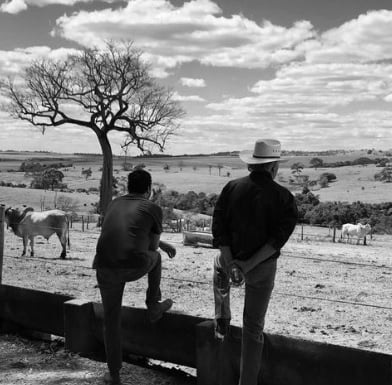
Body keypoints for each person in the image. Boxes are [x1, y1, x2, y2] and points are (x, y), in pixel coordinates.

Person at [212, 139, 298, 385]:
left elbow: (219, 229)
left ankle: (222, 315)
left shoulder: (231, 188)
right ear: (274, 167)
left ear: (252, 164)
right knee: (253, 328)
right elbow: (276, 241)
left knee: (217, 265)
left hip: (230, 263)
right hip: (262, 269)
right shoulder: (284, 197)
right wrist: (247, 267)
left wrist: (232, 264)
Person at [93, 169, 176, 385]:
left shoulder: (114, 203)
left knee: (111, 320)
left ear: (128, 187)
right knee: (156, 257)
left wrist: (162, 245)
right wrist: (162, 246)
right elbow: (153, 246)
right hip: (132, 266)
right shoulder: (153, 208)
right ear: (149, 189)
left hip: (103, 265)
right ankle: (153, 305)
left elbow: (122, 234)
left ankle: (114, 374)